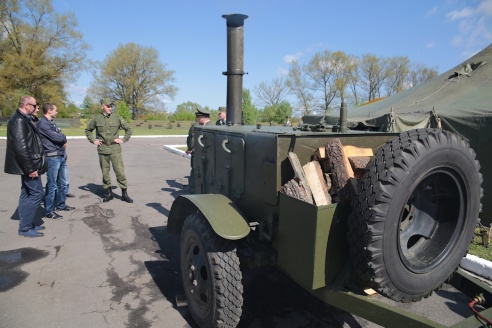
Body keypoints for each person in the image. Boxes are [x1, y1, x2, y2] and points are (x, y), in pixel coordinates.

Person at [4, 95, 48, 237]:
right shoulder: (18, 120)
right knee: (37, 194)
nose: (37, 108)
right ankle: (25, 227)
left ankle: (26, 223)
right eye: (35, 106)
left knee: (27, 192)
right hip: (29, 165)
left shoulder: (23, 119)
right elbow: (21, 147)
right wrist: (30, 168)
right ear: (26, 105)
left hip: (29, 164)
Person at [85, 98, 133, 203]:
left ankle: (124, 194)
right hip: (102, 149)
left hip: (115, 148)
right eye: (108, 106)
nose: (110, 108)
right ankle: (109, 193)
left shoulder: (117, 118)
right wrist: (93, 140)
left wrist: (123, 139)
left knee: (120, 171)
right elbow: (88, 130)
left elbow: (129, 129)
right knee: (105, 172)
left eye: (111, 106)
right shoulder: (97, 119)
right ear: (102, 106)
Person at [37, 102, 75, 219]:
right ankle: (49, 211)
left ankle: (61, 205)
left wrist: (61, 137)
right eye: (55, 110)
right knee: (52, 185)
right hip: (52, 157)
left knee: (63, 183)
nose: (57, 112)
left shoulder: (51, 123)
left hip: (60, 155)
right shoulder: (43, 124)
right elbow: (59, 137)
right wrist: (62, 138)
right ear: (49, 110)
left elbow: (60, 136)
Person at [186, 106, 212, 193]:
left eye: (199, 117)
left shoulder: (209, 127)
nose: (198, 119)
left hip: (203, 156)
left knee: (196, 172)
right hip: (200, 154)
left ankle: (194, 191)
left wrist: (193, 149)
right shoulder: (205, 126)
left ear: (203, 118)